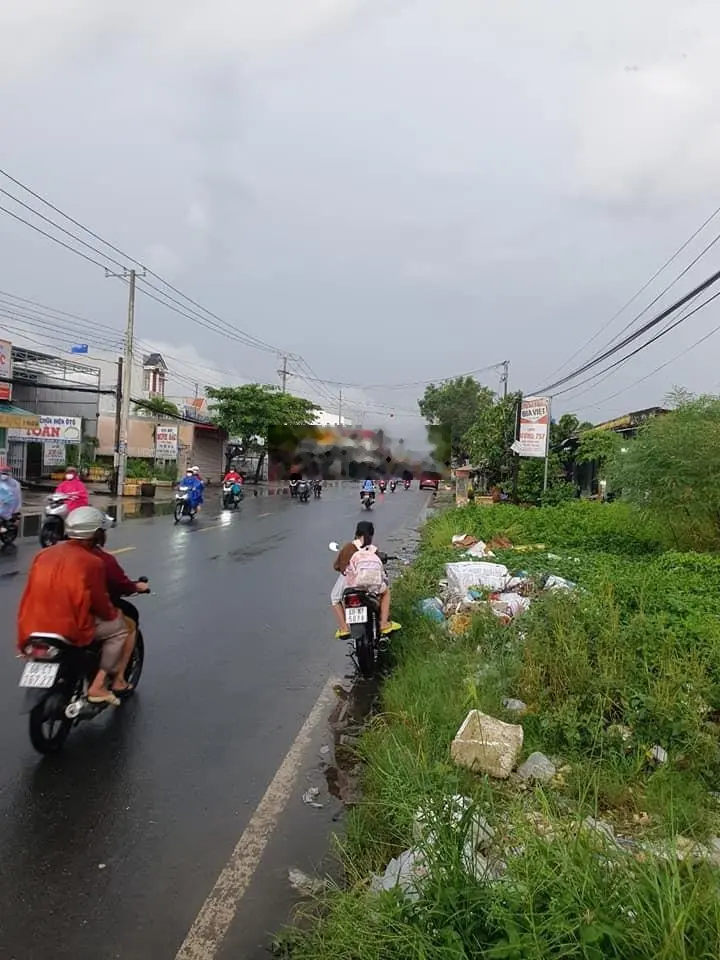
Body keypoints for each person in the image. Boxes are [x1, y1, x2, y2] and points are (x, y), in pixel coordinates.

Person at [17, 506, 129, 706]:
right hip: (68, 629)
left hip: (31, 626)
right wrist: (112, 614)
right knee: (120, 628)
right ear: (95, 534)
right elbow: (101, 603)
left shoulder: (43, 554)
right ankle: (98, 685)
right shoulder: (93, 562)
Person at [92, 520, 150, 693]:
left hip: (48, 617)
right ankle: (115, 679)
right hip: (83, 613)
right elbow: (120, 583)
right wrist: (136, 587)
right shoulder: (100, 560)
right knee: (124, 627)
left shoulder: (51, 556)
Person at [330, 520, 401, 639]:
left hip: (351, 585)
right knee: (386, 592)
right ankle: (384, 623)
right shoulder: (373, 549)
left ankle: (344, 628)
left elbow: (336, 566)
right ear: (371, 535)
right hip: (371, 586)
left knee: (334, 598)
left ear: (357, 533)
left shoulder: (348, 547)